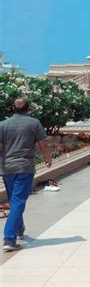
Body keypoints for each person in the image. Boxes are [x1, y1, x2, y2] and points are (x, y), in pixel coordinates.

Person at [0, 98, 52, 252]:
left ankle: (19, 228)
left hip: (7, 169)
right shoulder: (34, 123)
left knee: (15, 200)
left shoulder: (3, 124)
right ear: (28, 108)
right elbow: (42, 144)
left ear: (13, 109)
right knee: (17, 202)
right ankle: (9, 238)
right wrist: (47, 157)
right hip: (24, 168)